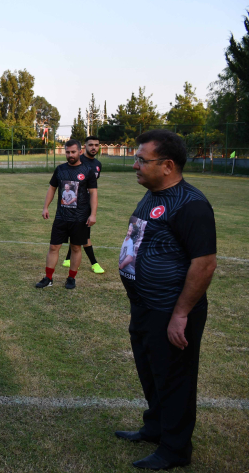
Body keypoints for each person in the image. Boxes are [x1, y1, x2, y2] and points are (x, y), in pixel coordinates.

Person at [114, 130, 217, 470]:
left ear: (168, 165)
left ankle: (175, 449)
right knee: (151, 371)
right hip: (145, 306)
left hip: (170, 310)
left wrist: (181, 314)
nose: (135, 165)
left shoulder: (192, 204)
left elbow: (204, 263)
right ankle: (155, 426)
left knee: (175, 378)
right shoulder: (153, 194)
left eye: (142, 160)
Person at [36, 139, 97, 290]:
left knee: (76, 248)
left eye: (73, 152)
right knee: (53, 247)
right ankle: (48, 278)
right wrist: (45, 207)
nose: (70, 155)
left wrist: (93, 214)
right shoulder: (60, 169)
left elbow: (94, 194)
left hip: (80, 218)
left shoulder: (88, 171)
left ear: (80, 152)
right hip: (61, 217)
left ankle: (71, 278)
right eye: (68, 152)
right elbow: (52, 189)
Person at [63, 136, 105, 273]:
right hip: (75, 204)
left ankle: (69, 259)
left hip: (86, 204)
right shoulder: (78, 161)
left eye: (96, 145)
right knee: (84, 235)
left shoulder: (98, 164)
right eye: (91, 145)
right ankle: (94, 263)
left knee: (80, 232)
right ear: (83, 148)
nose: (94, 147)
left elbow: (93, 188)